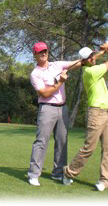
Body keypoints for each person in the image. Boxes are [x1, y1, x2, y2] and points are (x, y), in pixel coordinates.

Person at [63, 42, 108, 191]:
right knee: (89, 148)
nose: (92, 58)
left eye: (92, 55)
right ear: (84, 61)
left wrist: (103, 50)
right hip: (96, 113)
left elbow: (96, 57)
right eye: (89, 57)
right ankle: (68, 173)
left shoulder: (92, 65)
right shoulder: (90, 72)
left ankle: (105, 180)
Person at [28, 42, 82, 186]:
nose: (43, 53)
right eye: (40, 52)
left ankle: (58, 173)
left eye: (45, 50)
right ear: (35, 54)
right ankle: (33, 174)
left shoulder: (56, 65)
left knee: (62, 142)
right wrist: (60, 82)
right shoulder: (35, 73)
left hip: (62, 108)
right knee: (41, 141)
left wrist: (89, 57)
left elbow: (74, 64)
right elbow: (44, 93)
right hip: (47, 108)